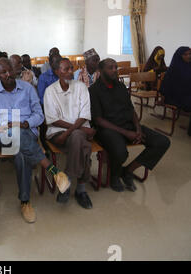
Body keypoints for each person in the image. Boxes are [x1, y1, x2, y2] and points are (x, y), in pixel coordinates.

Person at [0, 58, 70, 223]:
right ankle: (54, 172)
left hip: (26, 132)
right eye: (3, 72)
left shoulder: (28, 88)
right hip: (2, 136)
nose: (8, 74)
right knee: (16, 135)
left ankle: (25, 202)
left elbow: (39, 115)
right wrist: (7, 126)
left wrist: (25, 123)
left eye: (9, 69)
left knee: (21, 153)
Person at [90, 59, 171, 192]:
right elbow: (98, 120)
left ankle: (127, 170)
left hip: (128, 126)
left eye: (116, 67)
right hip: (107, 129)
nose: (115, 70)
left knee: (162, 142)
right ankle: (114, 176)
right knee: (121, 152)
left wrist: (138, 128)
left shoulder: (120, 86)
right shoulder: (94, 90)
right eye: (110, 68)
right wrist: (126, 133)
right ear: (101, 71)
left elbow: (131, 109)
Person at [44, 58, 95, 209]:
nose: (70, 71)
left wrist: (69, 133)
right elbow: (53, 120)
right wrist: (76, 129)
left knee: (78, 139)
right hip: (57, 132)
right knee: (82, 144)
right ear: (56, 72)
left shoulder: (81, 87)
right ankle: (81, 190)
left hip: (72, 134)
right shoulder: (50, 91)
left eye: (71, 68)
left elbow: (85, 114)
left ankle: (67, 182)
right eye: (66, 69)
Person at [160, 46, 191, 136]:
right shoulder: (174, 69)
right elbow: (165, 87)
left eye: (190, 54)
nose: (189, 56)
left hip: (187, 95)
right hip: (174, 97)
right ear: (179, 56)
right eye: (185, 54)